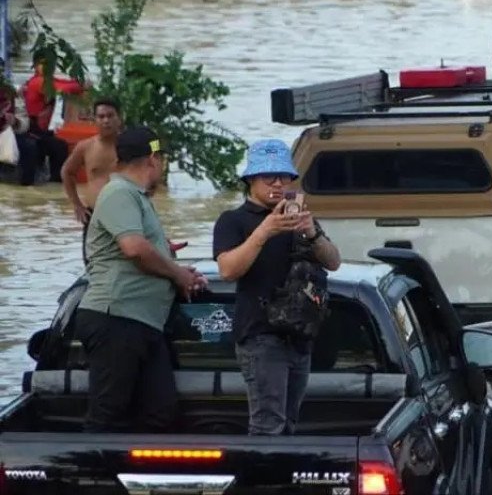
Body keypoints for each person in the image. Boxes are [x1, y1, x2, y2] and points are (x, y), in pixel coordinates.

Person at [76, 127, 206, 433]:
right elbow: (134, 248)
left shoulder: (137, 197)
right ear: (153, 158)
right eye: (161, 158)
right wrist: (178, 275)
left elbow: (145, 251)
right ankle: (88, 478)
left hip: (143, 322)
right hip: (116, 317)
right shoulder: (119, 192)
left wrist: (180, 272)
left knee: (160, 412)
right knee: (107, 414)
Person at [214, 139, 341, 435]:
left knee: (290, 423)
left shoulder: (299, 218)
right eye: (268, 177)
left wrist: (312, 233)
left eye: (284, 177)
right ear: (250, 180)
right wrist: (265, 231)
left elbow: (333, 262)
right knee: (267, 423)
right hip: (261, 335)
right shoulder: (233, 221)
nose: (277, 183)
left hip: (299, 336)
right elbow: (228, 270)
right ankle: (261, 477)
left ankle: (282, 476)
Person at [62, 99, 124, 253]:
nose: (106, 121)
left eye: (110, 116)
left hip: (125, 212)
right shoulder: (85, 147)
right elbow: (66, 172)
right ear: (94, 120)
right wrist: (77, 205)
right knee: (91, 260)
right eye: (101, 117)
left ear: (120, 118)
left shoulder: (130, 144)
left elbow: (155, 147)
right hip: (94, 214)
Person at [0, 81, 39, 185]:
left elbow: (25, 124)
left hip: (8, 135)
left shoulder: (10, 93)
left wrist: (15, 122)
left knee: (30, 146)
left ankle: (26, 186)